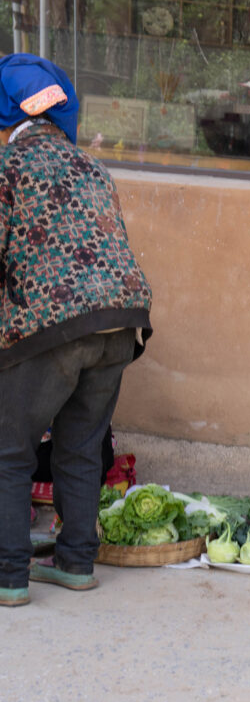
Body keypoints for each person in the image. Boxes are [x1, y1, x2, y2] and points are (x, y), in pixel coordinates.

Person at [0, 54, 153, 607]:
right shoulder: (91, 166)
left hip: (54, 324)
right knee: (82, 447)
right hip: (121, 321)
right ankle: (75, 563)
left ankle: (9, 574)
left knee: (9, 450)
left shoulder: (9, 168)